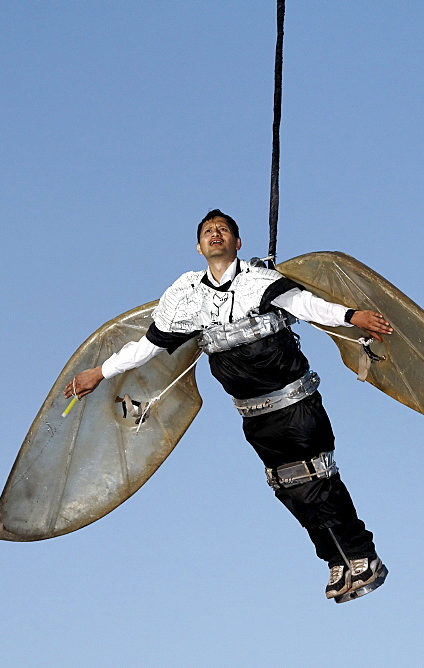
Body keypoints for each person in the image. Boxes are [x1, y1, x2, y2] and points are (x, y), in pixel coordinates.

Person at [64, 209, 393, 602]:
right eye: (207, 231)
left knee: (315, 479)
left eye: (223, 230)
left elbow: (306, 305)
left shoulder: (260, 281)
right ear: (199, 246)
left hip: (295, 403)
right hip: (254, 415)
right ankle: (334, 560)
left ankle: (362, 556)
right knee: (287, 487)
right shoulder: (186, 297)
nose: (215, 234)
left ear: (238, 243)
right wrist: (100, 372)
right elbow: (148, 348)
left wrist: (352, 316)